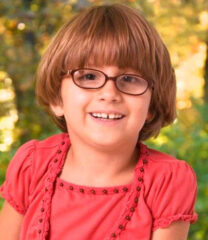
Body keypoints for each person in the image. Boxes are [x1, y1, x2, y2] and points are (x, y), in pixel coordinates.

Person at [0, 3, 197, 240]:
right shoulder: (32, 165)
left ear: (152, 105)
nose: (109, 93)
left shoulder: (167, 181)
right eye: (89, 76)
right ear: (57, 98)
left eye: (129, 78)